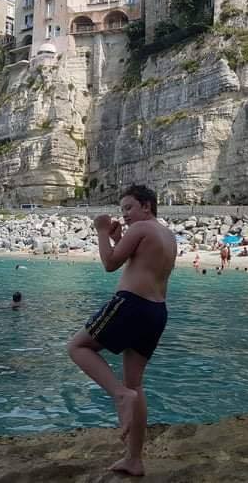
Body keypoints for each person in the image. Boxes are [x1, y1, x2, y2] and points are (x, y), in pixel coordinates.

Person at [67, 185, 175, 477]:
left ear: (146, 206)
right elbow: (140, 261)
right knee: (135, 385)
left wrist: (102, 231)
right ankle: (134, 459)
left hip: (131, 304)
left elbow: (110, 263)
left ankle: (118, 395)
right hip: (156, 311)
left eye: (129, 207)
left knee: (77, 347)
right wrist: (118, 238)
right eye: (122, 209)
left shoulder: (140, 228)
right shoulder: (166, 234)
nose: (124, 214)